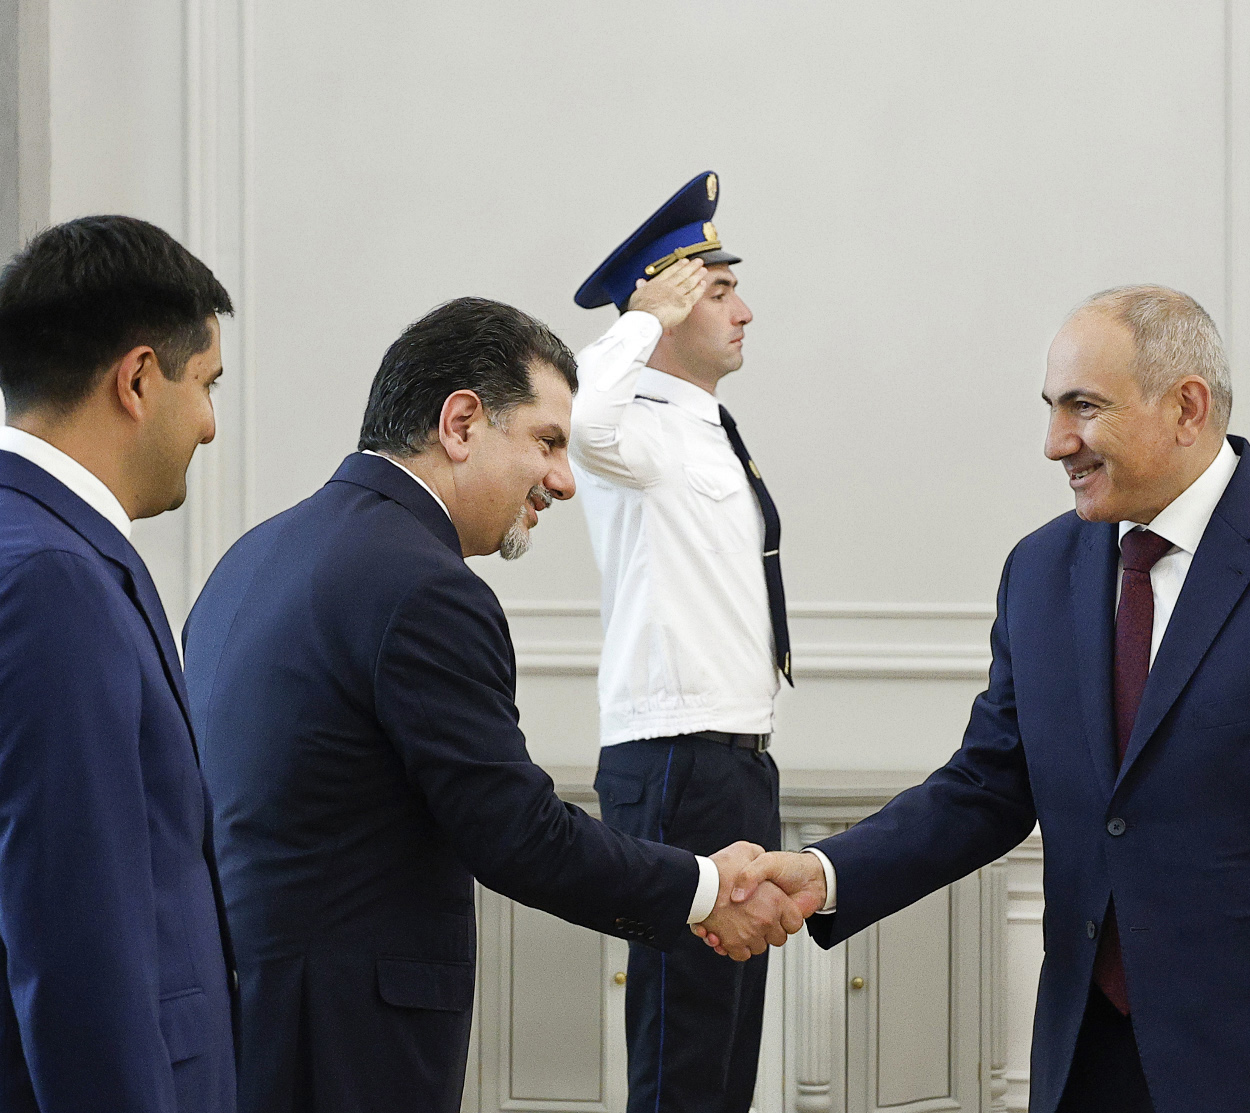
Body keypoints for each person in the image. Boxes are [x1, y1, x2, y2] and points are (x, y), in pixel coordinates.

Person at [724, 287, 1250, 1113]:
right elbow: (988, 785)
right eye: (1051, 407)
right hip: (1084, 1063)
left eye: (1084, 407)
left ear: (1187, 408)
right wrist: (825, 872)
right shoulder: (1039, 569)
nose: (1054, 442)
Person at [181, 297, 802, 1113]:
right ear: (462, 423)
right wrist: (703, 886)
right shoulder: (426, 586)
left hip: (238, 1027)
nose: (565, 480)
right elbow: (518, 834)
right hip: (350, 1046)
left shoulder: (251, 556)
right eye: (547, 442)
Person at [0, 215, 237, 1111]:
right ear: (137, 379)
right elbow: (77, 935)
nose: (209, 425)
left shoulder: (37, 543)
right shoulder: (54, 576)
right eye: (206, 384)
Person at [568, 171, 791, 1113]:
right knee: (682, 1045)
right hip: (674, 757)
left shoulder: (703, 424)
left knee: (726, 1040)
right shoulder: (632, 426)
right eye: (719, 290)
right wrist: (641, 321)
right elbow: (581, 418)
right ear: (665, 302)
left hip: (733, 755)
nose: (744, 310)